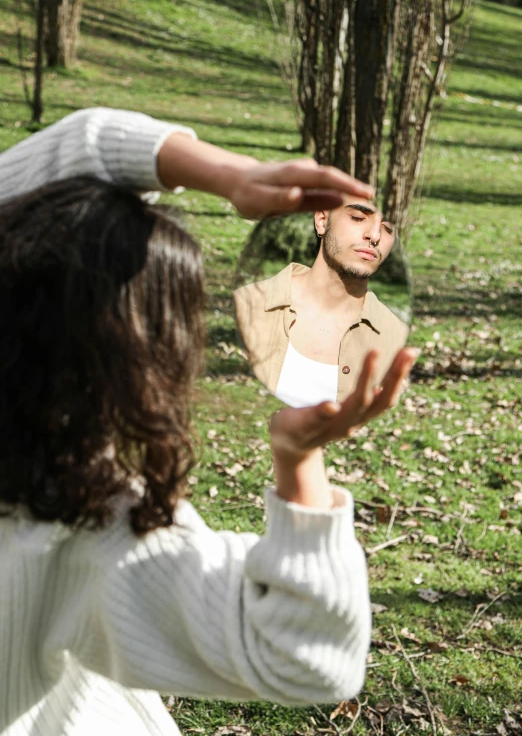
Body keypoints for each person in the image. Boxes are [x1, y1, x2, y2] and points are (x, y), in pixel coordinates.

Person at [0, 108, 417, 736]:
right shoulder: (75, 529)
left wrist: (233, 175)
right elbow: (307, 659)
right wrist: (300, 461)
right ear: (134, 371)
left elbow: (67, 153)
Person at [234, 199, 409, 408]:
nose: (375, 236)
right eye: (358, 218)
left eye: (388, 229)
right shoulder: (246, 306)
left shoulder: (397, 341)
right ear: (322, 221)